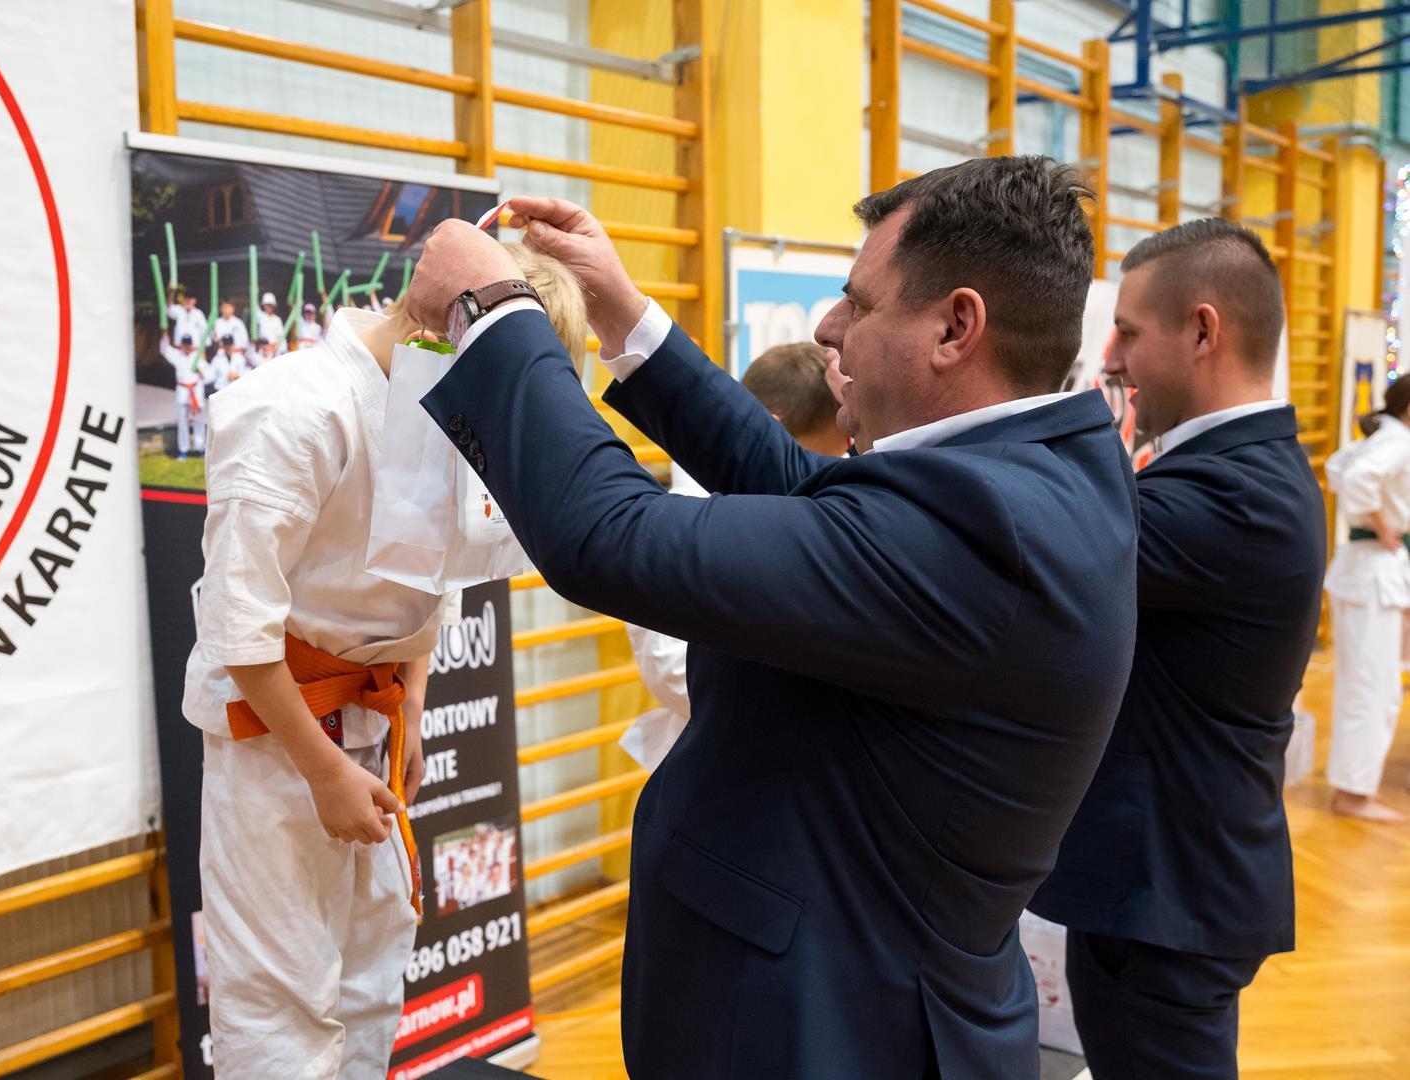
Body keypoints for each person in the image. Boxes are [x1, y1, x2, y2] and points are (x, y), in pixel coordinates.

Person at [404, 156, 1139, 1077]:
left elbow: (607, 535)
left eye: (858, 304)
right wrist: (623, 315)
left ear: (955, 327)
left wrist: (494, 314)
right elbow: (801, 487)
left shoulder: (985, 530)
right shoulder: (1029, 472)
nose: (828, 327)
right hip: (837, 996)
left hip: (832, 1029)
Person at [182, 242, 586, 1078]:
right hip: (274, 739)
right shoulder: (292, 411)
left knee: (373, 968)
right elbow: (240, 627)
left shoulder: (433, 402)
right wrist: (321, 768)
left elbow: (430, 579)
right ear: (454, 334)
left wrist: (415, 708)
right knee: (279, 998)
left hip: (373, 722)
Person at [1030, 219, 1327, 1078]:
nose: (1112, 358)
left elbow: (1044, 532)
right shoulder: (1236, 472)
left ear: (1202, 331)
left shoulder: (1235, 497)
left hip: (1168, 890)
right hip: (1160, 884)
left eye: (1127, 332)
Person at [622, 340, 852, 771]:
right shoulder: (682, 520)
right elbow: (670, 669)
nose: (819, 478)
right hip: (724, 766)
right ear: (770, 430)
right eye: (812, 459)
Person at [1324, 377, 1410, 822]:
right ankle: (1352, 795)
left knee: (1369, 685)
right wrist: (1380, 523)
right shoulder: (1397, 443)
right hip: (1373, 569)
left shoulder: (1385, 438)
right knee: (1372, 689)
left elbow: (1338, 467)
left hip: (1367, 571)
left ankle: (1354, 787)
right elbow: (1355, 478)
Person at [159, 331, 207, 459]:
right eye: (185, 344)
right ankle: (183, 450)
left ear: (191, 344)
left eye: (188, 344)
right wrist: (165, 336)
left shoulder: (197, 356)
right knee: (182, 422)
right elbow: (164, 350)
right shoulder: (177, 355)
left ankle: (200, 447)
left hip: (195, 391)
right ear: (182, 344)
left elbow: (206, 375)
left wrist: (200, 371)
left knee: (199, 421)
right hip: (182, 391)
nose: (187, 346)